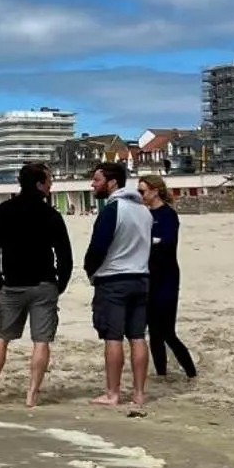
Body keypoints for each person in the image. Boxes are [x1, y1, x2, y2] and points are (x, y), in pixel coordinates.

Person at [0, 160, 74, 406]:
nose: (51, 185)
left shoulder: (3, 211)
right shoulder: (50, 214)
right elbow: (65, 254)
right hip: (43, 284)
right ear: (40, 184)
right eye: (49, 181)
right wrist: (60, 284)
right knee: (41, 341)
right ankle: (31, 395)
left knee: (2, 336)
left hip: (12, 284)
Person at [83, 163, 152, 410]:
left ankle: (112, 393)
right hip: (141, 277)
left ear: (112, 182)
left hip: (114, 279)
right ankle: (139, 393)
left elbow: (99, 246)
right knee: (137, 336)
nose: (93, 184)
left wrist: (90, 270)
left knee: (113, 337)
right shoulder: (144, 210)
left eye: (97, 179)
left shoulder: (114, 209)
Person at [137, 174, 197, 380]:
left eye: (142, 191)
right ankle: (161, 373)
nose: (140, 195)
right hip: (148, 277)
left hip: (167, 278)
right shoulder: (143, 214)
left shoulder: (168, 215)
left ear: (155, 191)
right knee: (153, 331)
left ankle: (191, 372)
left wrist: (150, 242)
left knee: (167, 331)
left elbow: (167, 242)